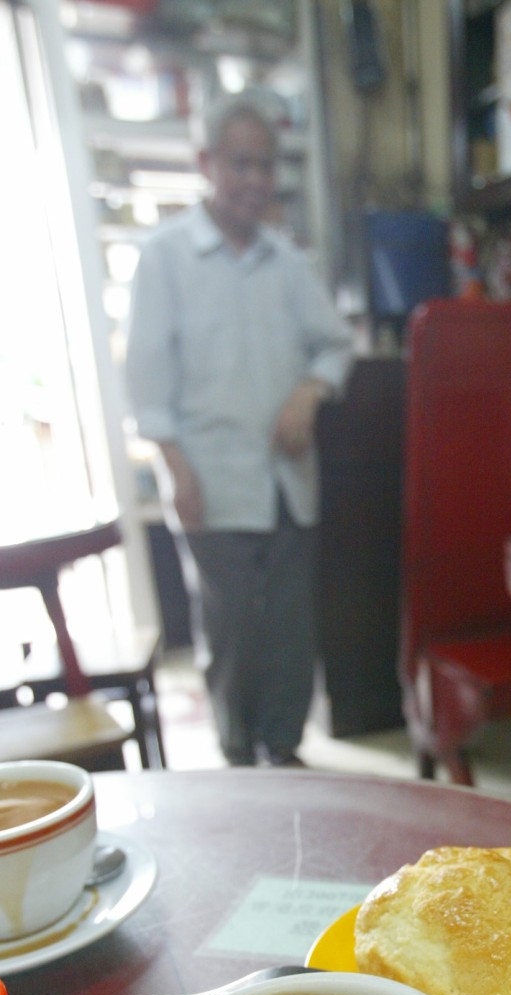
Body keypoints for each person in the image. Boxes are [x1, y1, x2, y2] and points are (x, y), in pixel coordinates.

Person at [126, 91, 354, 766]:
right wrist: (175, 467)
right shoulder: (166, 257)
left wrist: (310, 392)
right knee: (231, 630)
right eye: (242, 164)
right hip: (211, 481)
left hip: (287, 480)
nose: (257, 181)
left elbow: (334, 344)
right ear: (206, 163)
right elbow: (147, 380)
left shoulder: (286, 262)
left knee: (288, 628)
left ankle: (282, 751)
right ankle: (235, 755)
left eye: (267, 166)